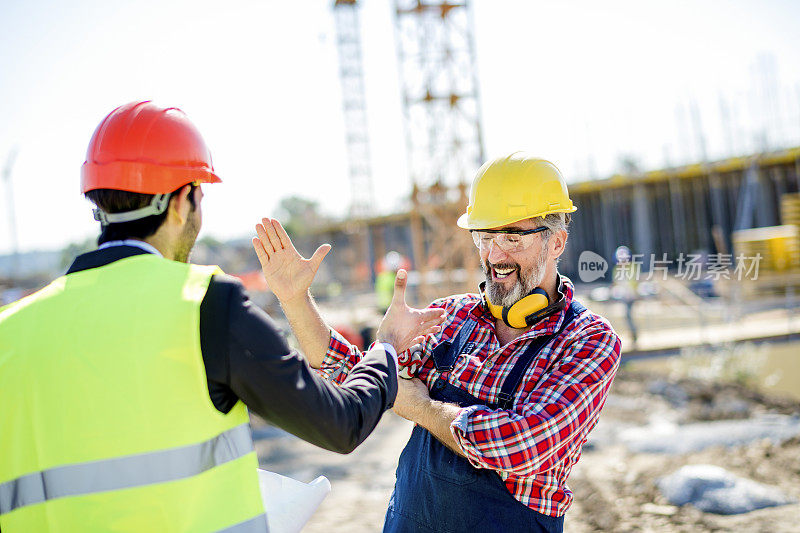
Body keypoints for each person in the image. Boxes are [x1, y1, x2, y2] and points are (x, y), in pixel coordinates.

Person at [0, 101, 444, 533]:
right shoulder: (205, 306)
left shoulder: (11, 330)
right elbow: (340, 424)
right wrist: (384, 348)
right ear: (182, 202)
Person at [253, 154, 622, 533]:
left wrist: (419, 406)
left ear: (556, 241)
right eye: (485, 237)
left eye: (512, 238)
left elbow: (522, 447)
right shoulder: (451, 317)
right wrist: (296, 299)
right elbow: (354, 377)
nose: (495, 256)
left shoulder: (587, 340)